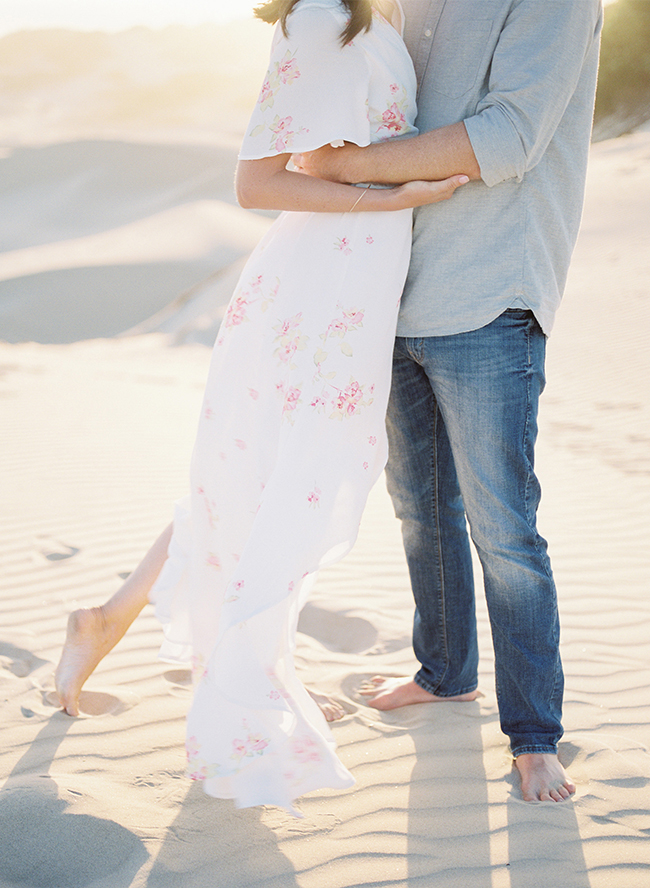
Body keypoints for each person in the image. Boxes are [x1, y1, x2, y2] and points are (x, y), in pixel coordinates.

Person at [54, 0, 468, 814]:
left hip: (356, 281)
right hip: (319, 286)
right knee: (287, 478)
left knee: (263, 475)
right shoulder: (321, 16)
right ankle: (239, 687)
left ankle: (113, 619)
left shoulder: (387, 14)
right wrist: (390, 201)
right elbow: (259, 180)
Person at [295, 0, 603, 803]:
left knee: (506, 531)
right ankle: (444, 675)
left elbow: (506, 137)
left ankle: (535, 736)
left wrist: (342, 166)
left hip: (492, 292)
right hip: (391, 292)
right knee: (422, 509)